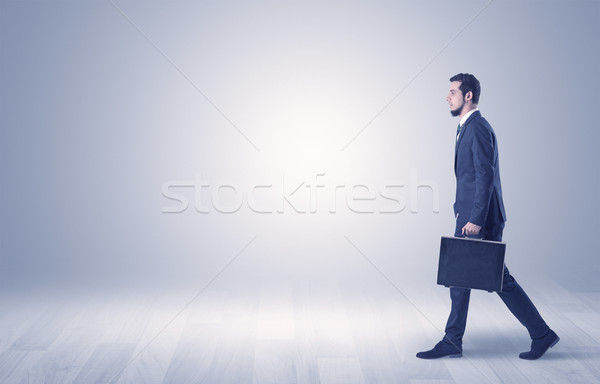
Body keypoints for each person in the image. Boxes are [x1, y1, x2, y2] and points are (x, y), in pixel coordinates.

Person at [416, 73, 559, 360]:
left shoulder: (478, 127)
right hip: (470, 215)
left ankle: (541, 334)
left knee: (498, 280)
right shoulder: (466, 127)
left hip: (479, 219)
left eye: (453, 92)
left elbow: (485, 174)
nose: (448, 97)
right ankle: (453, 340)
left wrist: (476, 218)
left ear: (468, 96)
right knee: (460, 279)